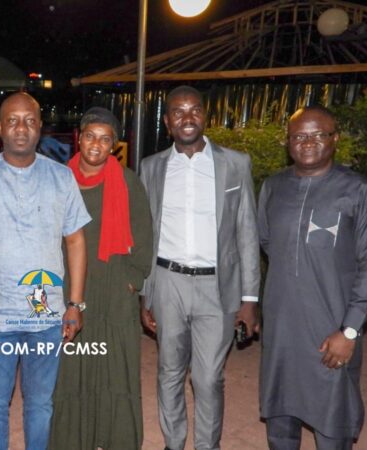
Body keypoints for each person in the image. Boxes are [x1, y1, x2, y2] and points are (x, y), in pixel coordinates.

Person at [0, 92, 91, 450]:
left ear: (40, 127)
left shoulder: (60, 178)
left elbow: (75, 242)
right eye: (12, 120)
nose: (21, 128)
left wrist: (75, 304)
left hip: (44, 316)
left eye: (29, 120)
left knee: (41, 406)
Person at [258, 105, 367, 450]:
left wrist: (350, 329)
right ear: (288, 142)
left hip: (331, 330)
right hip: (282, 328)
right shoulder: (273, 187)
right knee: (280, 419)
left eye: (319, 134)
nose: (308, 142)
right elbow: (268, 242)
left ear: (335, 139)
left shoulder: (358, 190)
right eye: (299, 135)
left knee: (333, 424)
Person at [139, 85, 261, 450]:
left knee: (208, 378)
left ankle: (208, 446)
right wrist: (146, 295)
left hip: (216, 286)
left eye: (194, 111)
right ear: (167, 121)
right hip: (167, 281)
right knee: (169, 372)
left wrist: (250, 297)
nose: (187, 118)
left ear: (205, 117)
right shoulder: (151, 167)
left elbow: (247, 232)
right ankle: (173, 443)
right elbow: (146, 233)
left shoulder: (235, 164)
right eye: (178, 112)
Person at [49, 107, 154, 449]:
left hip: (114, 286)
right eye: (91, 136)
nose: (96, 144)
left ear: (114, 145)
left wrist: (133, 281)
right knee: (72, 365)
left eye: (105, 139)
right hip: (70, 285)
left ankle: (116, 439)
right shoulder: (58, 179)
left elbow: (144, 233)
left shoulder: (127, 181)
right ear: (79, 138)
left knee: (115, 365)